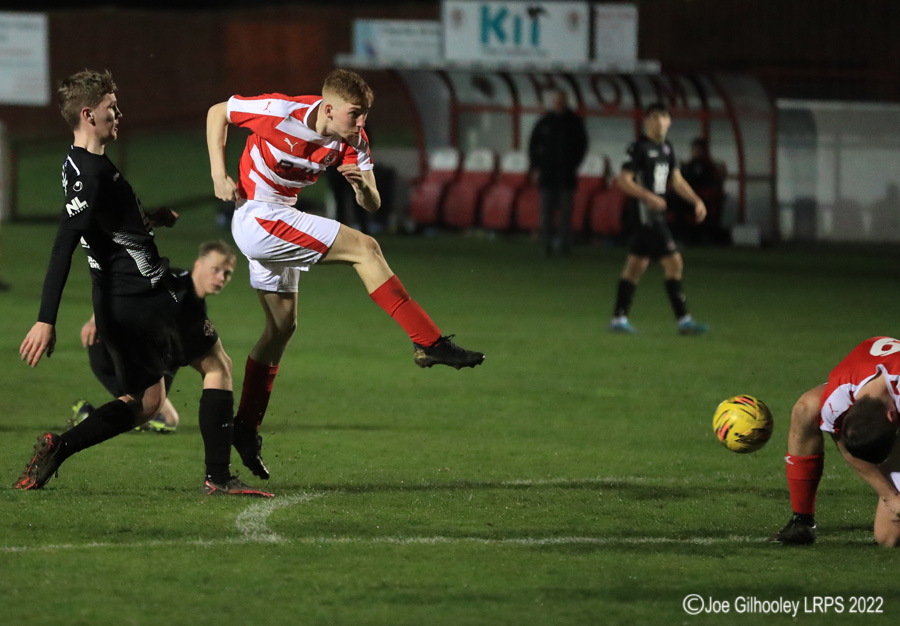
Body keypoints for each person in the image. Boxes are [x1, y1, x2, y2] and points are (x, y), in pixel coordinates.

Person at [206, 68, 485, 481]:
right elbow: (218, 112)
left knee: (282, 329)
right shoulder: (282, 111)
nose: (361, 123)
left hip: (279, 216)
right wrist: (218, 172)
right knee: (366, 250)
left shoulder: (355, 140)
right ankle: (430, 342)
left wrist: (361, 190)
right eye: (355, 114)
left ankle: (245, 430)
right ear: (329, 107)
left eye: (366, 115)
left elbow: (373, 203)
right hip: (258, 216)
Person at [14, 69, 270, 498]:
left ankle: (60, 447)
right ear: (87, 114)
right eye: (111, 107)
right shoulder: (92, 173)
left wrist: (149, 220)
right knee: (217, 365)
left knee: (146, 402)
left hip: (114, 302)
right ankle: (219, 477)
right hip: (148, 295)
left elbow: (103, 226)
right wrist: (45, 320)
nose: (119, 114)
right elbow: (64, 243)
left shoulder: (75, 165)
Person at [71, 240, 237, 434]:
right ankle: (85, 420)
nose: (220, 278)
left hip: (137, 358)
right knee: (162, 417)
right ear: (198, 264)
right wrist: (94, 320)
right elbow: (121, 290)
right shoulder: (172, 282)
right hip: (111, 351)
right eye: (215, 269)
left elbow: (173, 355)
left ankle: (88, 415)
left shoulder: (196, 308)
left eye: (227, 274)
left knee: (156, 415)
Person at [771, 336, 900, 547]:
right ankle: (802, 522)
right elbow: (847, 446)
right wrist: (890, 495)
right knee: (806, 408)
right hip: (866, 379)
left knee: (889, 537)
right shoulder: (837, 400)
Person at [608, 102, 709, 335]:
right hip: (646, 215)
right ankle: (684, 321)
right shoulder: (638, 147)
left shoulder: (667, 148)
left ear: (670, 121)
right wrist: (648, 197)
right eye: (654, 117)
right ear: (646, 121)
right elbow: (624, 180)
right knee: (674, 263)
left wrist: (696, 201)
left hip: (655, 214)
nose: (660, 121)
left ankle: (618, 320)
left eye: (664, 116)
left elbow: (677, 180)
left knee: (635, 266)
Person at [527, 89, 588, 256]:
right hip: (547, 175)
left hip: (566, 175)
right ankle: (546, 244)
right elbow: (533, 145)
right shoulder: (545, 121)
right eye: (557, 100)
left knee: (565, 212)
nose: (559, 103)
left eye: (562, 100)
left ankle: (563, 244)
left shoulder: (574, 122)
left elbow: (582, 146)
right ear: (553, 102)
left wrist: (573, 164)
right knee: (546, 211)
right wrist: (537, 165)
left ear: (566, 101)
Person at [679, 138, 726, 244]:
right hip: (688, 198)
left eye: (700, 150)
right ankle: (682, 235)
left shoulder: (710, 167)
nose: (697, 152)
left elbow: (713, 184)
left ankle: (705, 237)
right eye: (695, 149)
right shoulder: (687, 166)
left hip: (705, 199)